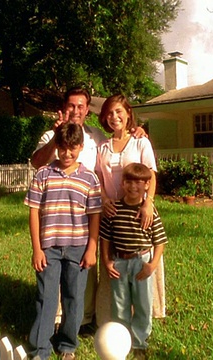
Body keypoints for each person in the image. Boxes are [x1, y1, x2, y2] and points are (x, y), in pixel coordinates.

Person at [31, 87, 146, 330]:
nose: (76, 110)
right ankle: (54, 318)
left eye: (81, 106)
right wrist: (56, 136)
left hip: (90, 212)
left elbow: (118, 146)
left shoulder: (95, 137)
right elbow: (37, 162)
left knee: (85, 266)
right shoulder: (48, 135)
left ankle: (83, 318)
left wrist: (136, 130)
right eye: (71, 105)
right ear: (64, 108)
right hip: (57, 216)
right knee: (54, 269)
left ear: (87, 111)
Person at [24, 122, 102, 360]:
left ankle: (68, 345)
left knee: (74, 299)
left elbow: (94, 216)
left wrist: (92, 248)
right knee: (46, 297)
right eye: (63, 148)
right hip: (49, 248)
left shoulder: (90, 178)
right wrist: (37, 249)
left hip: (78, 248)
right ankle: (40, 349)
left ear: (81, 146)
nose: (67, 154)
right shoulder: (43, 174)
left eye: (73, 148)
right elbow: (34, 212)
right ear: (56, 146)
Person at [94, 94, 166, 325]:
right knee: (113, 265)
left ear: (127, 114)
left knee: (139, 261)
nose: (114, 117)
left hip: (137, 210)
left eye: (119, 112)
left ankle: (144, 317)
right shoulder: (102, 146)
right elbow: (98, 177)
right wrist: (104, 199)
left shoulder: (140, 142)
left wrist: (148, 202)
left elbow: (151, 174)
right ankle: (113, 319)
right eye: (110, 113)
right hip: (112, 212)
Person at [99, 163, 167, 360]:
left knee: (142, 304)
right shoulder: (114, 209)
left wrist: (152, 265)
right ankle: (122, 340)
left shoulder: (149, 211)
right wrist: (106, 260)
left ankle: (140, 343)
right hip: (119, 261)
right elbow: (106, 238)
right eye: (129, 182)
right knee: (119, 305)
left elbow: (160, 241)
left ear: (147, 185)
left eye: (138, 183)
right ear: (122, 183)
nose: (133, 187)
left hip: (141, 262)